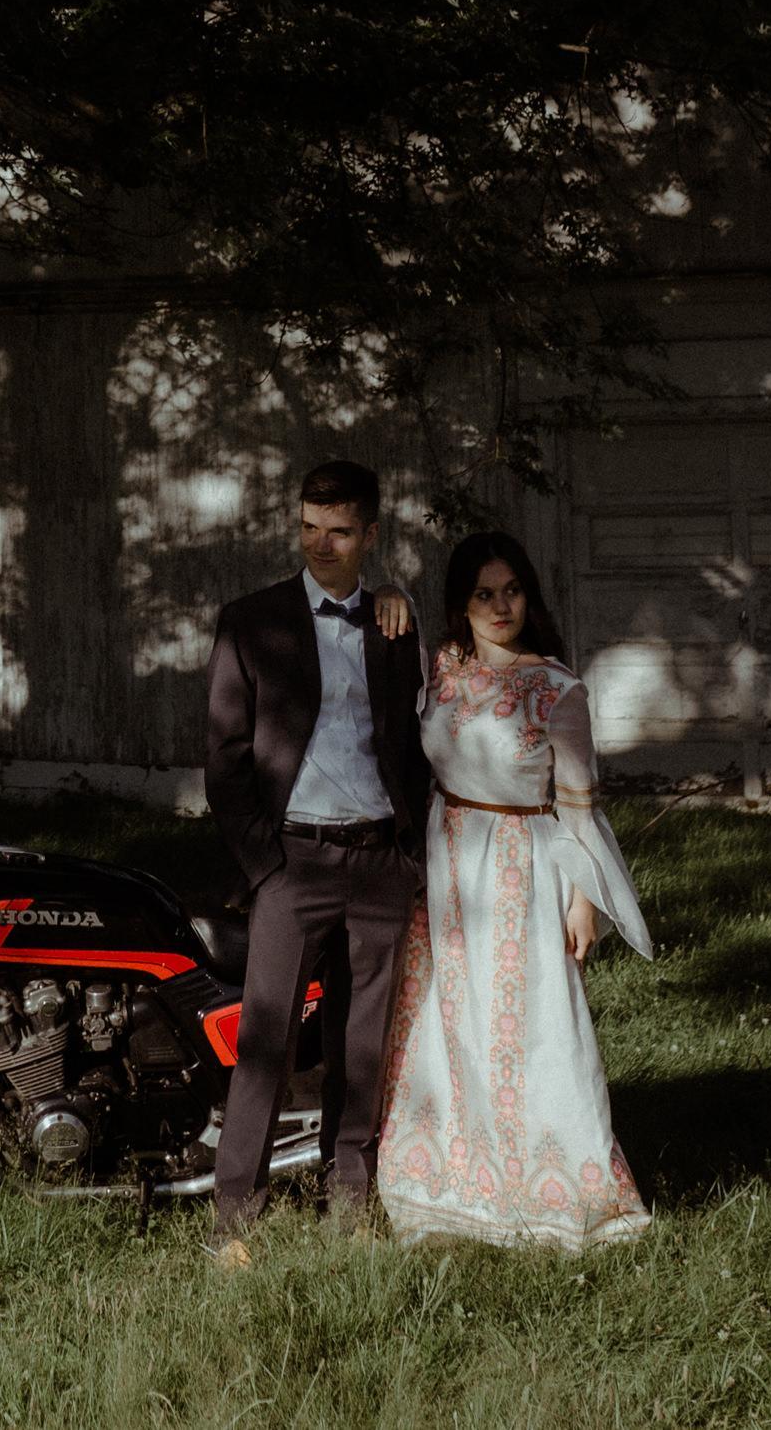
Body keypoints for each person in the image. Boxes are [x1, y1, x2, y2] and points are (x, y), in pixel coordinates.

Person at [376, 528, 654, 1251]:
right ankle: (451, 1181)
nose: (501, 607)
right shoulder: (444, 668)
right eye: (483, 594)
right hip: (448, 866)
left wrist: (582, 900)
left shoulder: (557, 689)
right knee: (449, 1020)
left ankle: (558, 1188)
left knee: (533, 1023)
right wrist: (388, 593)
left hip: (522, 872)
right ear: (460, 604)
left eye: (512, 591)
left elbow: (580, 807)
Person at [198, 458, 428, 1258]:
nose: (320, 544)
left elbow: (412, 743)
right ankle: (236, 1216)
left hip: (379, 862)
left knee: (361, 1043)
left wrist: (409, 854)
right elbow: (224, 758)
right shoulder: (250, 620)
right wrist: (265, 865)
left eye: (339, 531)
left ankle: (350, 1201)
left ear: (370, 534)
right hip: (293, 861)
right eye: (308, 527)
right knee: (266, 1042)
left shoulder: (394, 624)